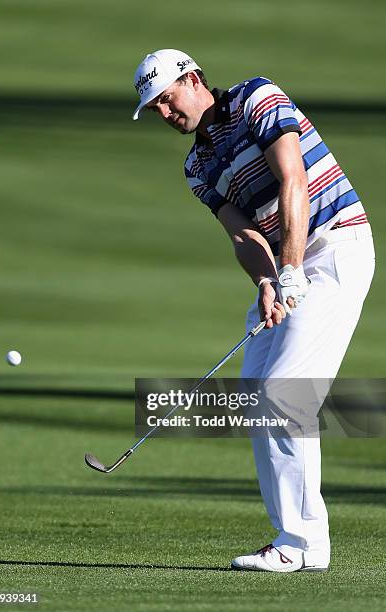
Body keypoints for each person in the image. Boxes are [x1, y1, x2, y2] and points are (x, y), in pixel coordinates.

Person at [132, 49, 375, 572]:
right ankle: (298, 540)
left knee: (285, 394)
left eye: (168, 100)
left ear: (193, 79)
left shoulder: (255, 98)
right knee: (255, 399)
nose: (165, 114)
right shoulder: (196, 165)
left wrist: (290, 270)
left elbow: (293, 180)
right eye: (155, 109)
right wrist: (267, 279)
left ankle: (301, 544)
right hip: (285, 263)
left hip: (334, 247)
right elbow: (241, 232)